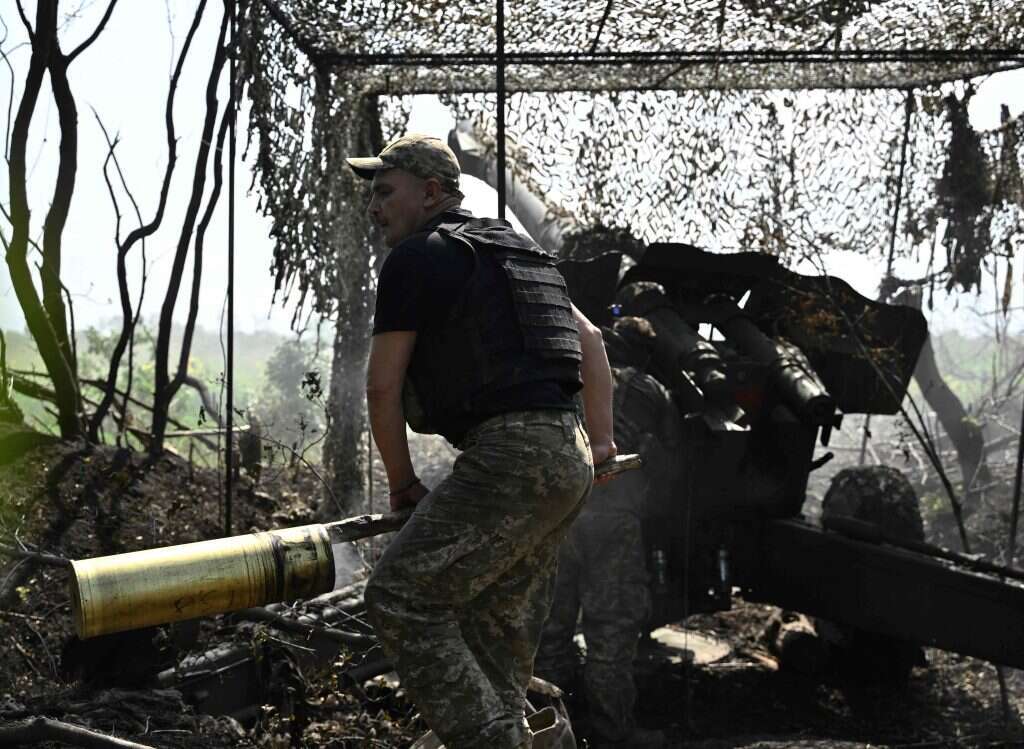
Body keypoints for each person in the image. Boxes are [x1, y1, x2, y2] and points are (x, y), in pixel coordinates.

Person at [346, 133, 616, 749]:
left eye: (385, 192)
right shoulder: (515, 250)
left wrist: (404, 484)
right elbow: (595, 345)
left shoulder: (415, 259)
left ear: (431, 192)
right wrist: (598, 445)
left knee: (400, 598)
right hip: (565, 455)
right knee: (497, 626)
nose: (374, 207)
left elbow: (383, 389)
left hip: (513, 453)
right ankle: (518, 733)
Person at [535, 316, 683, 749]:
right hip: (614, 520)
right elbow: (671, 459)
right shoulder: (651, 390)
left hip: (560, 516)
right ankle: (610, 730)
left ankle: (553, 728)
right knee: (611, 630)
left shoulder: (571, 377)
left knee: (552, 627)